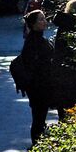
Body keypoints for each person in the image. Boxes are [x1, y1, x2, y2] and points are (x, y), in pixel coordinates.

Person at [18, 9, 56, 144]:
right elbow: (34, 66)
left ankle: (38, 144)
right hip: (38, 87)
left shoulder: (38, 38)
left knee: (40, 116)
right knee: (39, 117)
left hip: (40, 85)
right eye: (40, 19)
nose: (44, 21)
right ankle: (36, 145)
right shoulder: (33, 41)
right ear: (33, 24)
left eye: (44, 18)